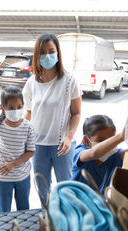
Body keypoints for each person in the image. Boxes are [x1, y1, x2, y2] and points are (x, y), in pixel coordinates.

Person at [23, 33, 82, 206]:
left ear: (58, 52)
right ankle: (48, 220)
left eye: (51, 51)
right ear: (36, 55)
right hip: (38, 145)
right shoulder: (31, 83)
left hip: (62, 146)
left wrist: (69, 137)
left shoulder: (69, 80)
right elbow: (29, 113)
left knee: (66, 189)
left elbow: (76, 113)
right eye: (42, 52)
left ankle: (67, 222)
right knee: (43, 191)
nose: (47, 55)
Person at [0, 87, 36, 213]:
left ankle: (23, 230)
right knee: (4, 209)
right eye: (11, 108)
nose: (16, 111)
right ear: (2, 107)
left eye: (19, 107)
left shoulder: (28, 127)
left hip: (22, 175)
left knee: (23, 209)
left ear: (23, 106)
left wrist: (13, 164)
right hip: (3, 176)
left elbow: (31, 151)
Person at [71, 115, 128, 193]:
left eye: (110, 140)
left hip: (96, 202)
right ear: (86, 140)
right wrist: (121, 136)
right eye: (101, 141)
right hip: (73, 200)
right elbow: (94, 153)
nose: (107, 146)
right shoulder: (80, 152)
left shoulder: (114, 155)